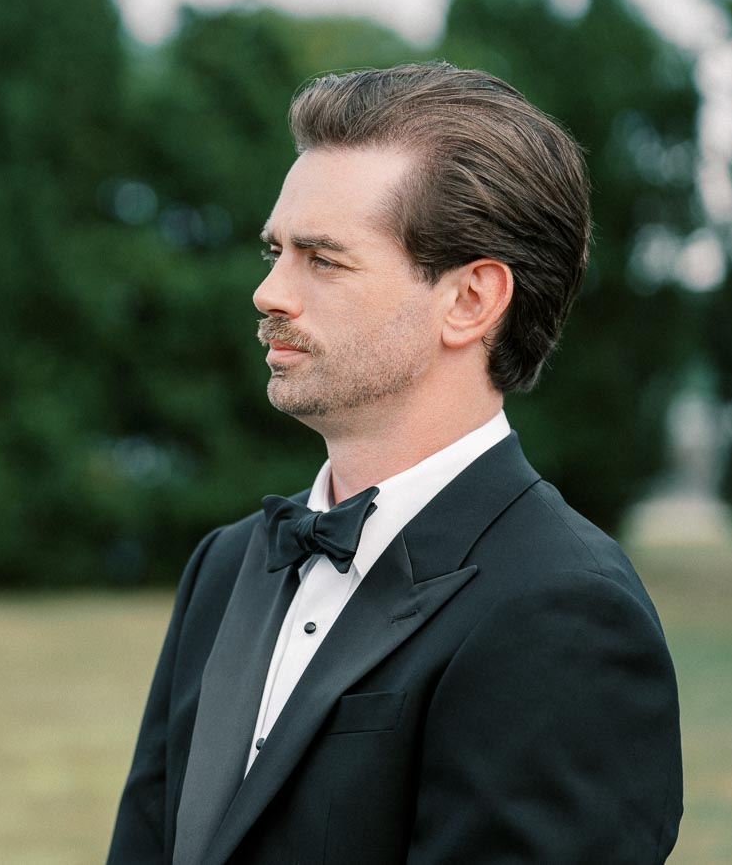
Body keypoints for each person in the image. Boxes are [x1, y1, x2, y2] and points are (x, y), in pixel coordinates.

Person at [107, 63, 682, 864]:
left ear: (471, 301)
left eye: (323, 259)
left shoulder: (562, 610)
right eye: (275, 250)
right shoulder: (228, 565)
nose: (269, 293)